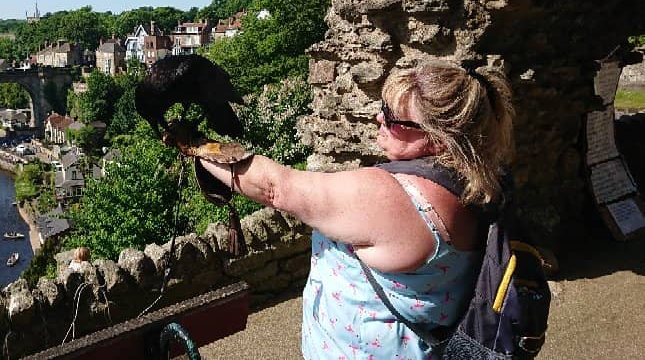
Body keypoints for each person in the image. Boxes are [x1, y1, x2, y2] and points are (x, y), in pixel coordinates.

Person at [198, 60, 514, 359]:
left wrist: (196, 146)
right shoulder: (479, 183)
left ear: (439, 141)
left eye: (393, 118)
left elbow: (276, 188)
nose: (380, 119)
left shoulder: (392, 198)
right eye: (383, 108)